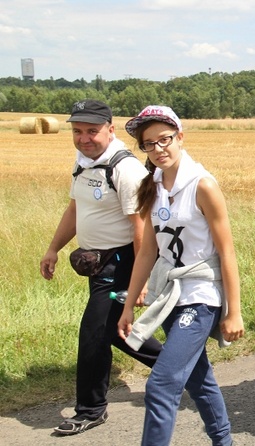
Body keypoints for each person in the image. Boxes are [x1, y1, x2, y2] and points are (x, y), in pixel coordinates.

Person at [117, 105, 244, 445]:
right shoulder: (150, 186)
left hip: (201, 296)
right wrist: (130, 305)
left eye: (165, 139)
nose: (158, 149)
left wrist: (234, 311)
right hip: (169, 294)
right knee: (197, 379)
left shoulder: (203, 185)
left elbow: (227, 252)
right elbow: (147, 251)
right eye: (148, 144)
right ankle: (224, 441)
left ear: (180, 137)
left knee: (161, 383)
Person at [39, 100, 162, 435]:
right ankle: (181, 367)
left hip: (122, 262)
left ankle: (91, 409)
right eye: (77, 132)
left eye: (92, 131)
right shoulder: (84, 164)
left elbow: (141, 229)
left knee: (94, 333)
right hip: (99, 264)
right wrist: (53, 248)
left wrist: (142, 281)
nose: (83, 138)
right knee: (117, 332)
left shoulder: (125, 170)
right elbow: (75, 210)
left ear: (110, 129)